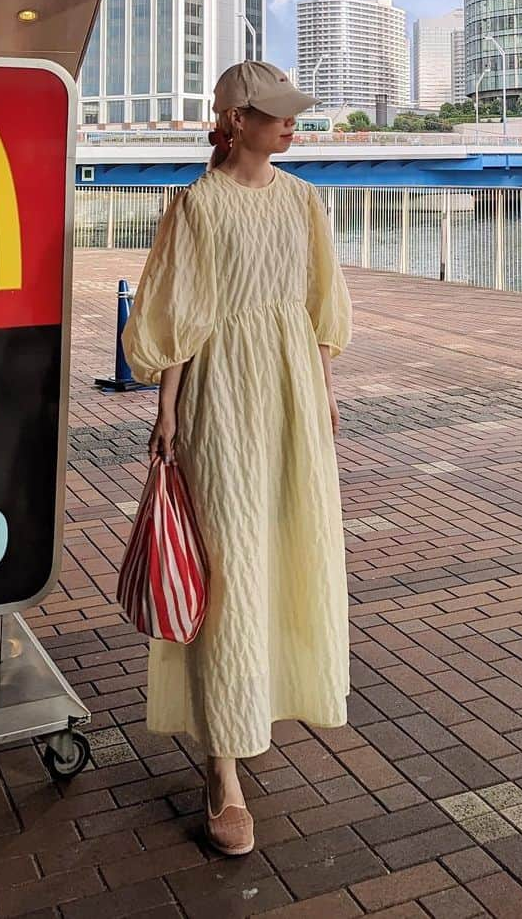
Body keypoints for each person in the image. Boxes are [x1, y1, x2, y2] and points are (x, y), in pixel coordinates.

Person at [121, 60, 352, 857]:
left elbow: (321, 301)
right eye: (278, 113)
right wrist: (167, 411)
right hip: (221, 394)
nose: (294, 124)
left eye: (294, 114)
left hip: (289, 391)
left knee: (283, 553)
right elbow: (179, 315)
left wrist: (320, 387)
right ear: (236, 118)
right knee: (225, 568)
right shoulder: (196, 206)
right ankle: (221, 769)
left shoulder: (301, 200)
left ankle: (256, 706)